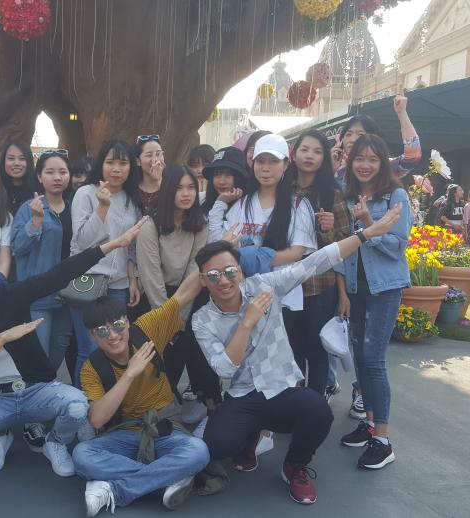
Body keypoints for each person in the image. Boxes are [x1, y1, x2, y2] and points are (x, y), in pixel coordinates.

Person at [192, 201, 403, 504]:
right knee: (216, 444)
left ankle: (294, 466)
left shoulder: (265, 286)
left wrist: (365, 234)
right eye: (213, 276)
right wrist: (247, 323)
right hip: (243, 395)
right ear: (203, 281)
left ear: (241, 271)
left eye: (229, 271)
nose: (223, 281)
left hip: (281, 388)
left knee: (318, 411)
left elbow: (315, 261)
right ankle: (249, 440)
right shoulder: (202, 320)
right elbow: (225, 369)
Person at [0, 218, 147, 475]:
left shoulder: (9, 296)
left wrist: (113, 245)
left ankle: (55, 441)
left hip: (37, 390)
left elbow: (57, 275)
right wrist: (1, 339)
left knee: (78, 405)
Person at [207, 133, 317, 471]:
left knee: (278, 369)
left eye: (273, 162)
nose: (266, 168)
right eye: (260, 162)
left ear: (285, 166)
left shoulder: (298, 206)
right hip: (247, 298)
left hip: (283, 298)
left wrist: (259, 259)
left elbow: (299, 252)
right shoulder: (242, 205)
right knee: (249, 367)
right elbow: (223, 246)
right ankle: (253, 432)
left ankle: (271, 434)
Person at [72, 274, 208, 516]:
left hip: (164, 427)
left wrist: (212, 262)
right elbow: (97, 420)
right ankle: (169, 476)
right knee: (82, 455)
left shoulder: (146, 329)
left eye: (117, 325)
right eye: (102, 331)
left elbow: (182, 295)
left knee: (198, 451)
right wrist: (129, 373)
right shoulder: (91, 368)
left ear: (126, 321)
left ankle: (115, 490)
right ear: (92, 336)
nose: (112, 335)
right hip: (124, 433)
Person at [335, 134, 413, 470]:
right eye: (359, 158)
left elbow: (397, 247)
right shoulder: (348, 196)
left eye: (372, 159)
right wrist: (342, 292)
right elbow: (343, 249)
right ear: (350, 162)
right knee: (360, 358)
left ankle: (382, 438)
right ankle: (368, 423)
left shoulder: (395, 196)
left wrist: (369, 223)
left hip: (384, 288)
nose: (365, 165)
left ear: (383, 163)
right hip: (355, 288)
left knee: (374, 359)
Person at [135, 165, 219, 422]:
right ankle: (157, 411)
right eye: (179, 188)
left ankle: (211, 406)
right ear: (168, 190)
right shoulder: (149, 226)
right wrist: (168, 322)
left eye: (191, 187)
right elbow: (151, 277)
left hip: (190, 293)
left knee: (196, 347)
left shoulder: (200, 224)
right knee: (161, 356)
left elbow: (195, 269)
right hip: (156, 298)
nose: (186, 193)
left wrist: (179, 320)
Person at [283, 130, 351, 396]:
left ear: (324, 158)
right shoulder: (281, 190)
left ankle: (316, 404)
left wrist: (329, 230)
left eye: (317, 151)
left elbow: (345, 243)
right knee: (292, 349)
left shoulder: (332, 194)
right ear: (294, 154)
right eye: (304, 149)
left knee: (318, 349)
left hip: (320, 287)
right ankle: (296, 404)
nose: (310, 156)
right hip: (287, 284)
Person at [69, 140, 142, 385]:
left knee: (117, 348)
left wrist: (133, 279)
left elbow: (131, 246)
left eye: (123, 163)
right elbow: (82, 240)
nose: (116, 169)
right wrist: (102, 207)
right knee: (89, 349)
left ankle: (112, 401)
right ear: (101, 164)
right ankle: (84, 404)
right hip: (87, 281)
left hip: (118, 284)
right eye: (110, 162)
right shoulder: (85, 193)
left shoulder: (132, 199)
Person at [11, 150, 74, 369]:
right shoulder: (29, 208)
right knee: (39, 353)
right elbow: (17, 247)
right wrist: (36, 221)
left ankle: (47, 385)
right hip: (39, 294)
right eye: (50, 172)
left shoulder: (75, 208)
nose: (57, 177)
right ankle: (38, 388)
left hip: (69, 294)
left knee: (59, 349)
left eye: (63, 172)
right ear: (39, 177)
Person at [331, 95, 421, 190]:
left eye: (360, 134)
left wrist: (402, 113)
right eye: (348, 134)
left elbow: (412, 157)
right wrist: (331, 170)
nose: (352, 140)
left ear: (374, 139)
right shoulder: (337, 169)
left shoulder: (384, 167)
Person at [199, 146, 249, 215]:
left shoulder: (249, 208)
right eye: (217, 174)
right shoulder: (200, 202)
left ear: (240, 178)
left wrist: (220, 202)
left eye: (228, 174)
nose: (221, 182)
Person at [133, 134, 165, 215]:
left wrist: (159, 181)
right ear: (138, 161)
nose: (155, 159)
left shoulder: (173, 186)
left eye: (158, 154)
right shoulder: (131, 190)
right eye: (149, 155)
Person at [0, 141, 34, 214]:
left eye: (22, 158)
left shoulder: (37, 192)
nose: (16, 163)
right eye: (11, 158)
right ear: (3, 161)